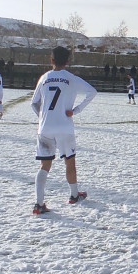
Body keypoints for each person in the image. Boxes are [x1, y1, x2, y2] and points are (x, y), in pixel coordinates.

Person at [30, 46, 98, 214]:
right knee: (70, 161)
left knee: (44, 165)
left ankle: (39, 204)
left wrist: (43, 116)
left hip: (45, 127)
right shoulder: (71, 78)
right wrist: (76, 110)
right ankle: (74, 195)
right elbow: (92, 92)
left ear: (51, 60)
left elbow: (34, 102)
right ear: (68, 61)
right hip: (65, 126)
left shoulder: (44, 78)